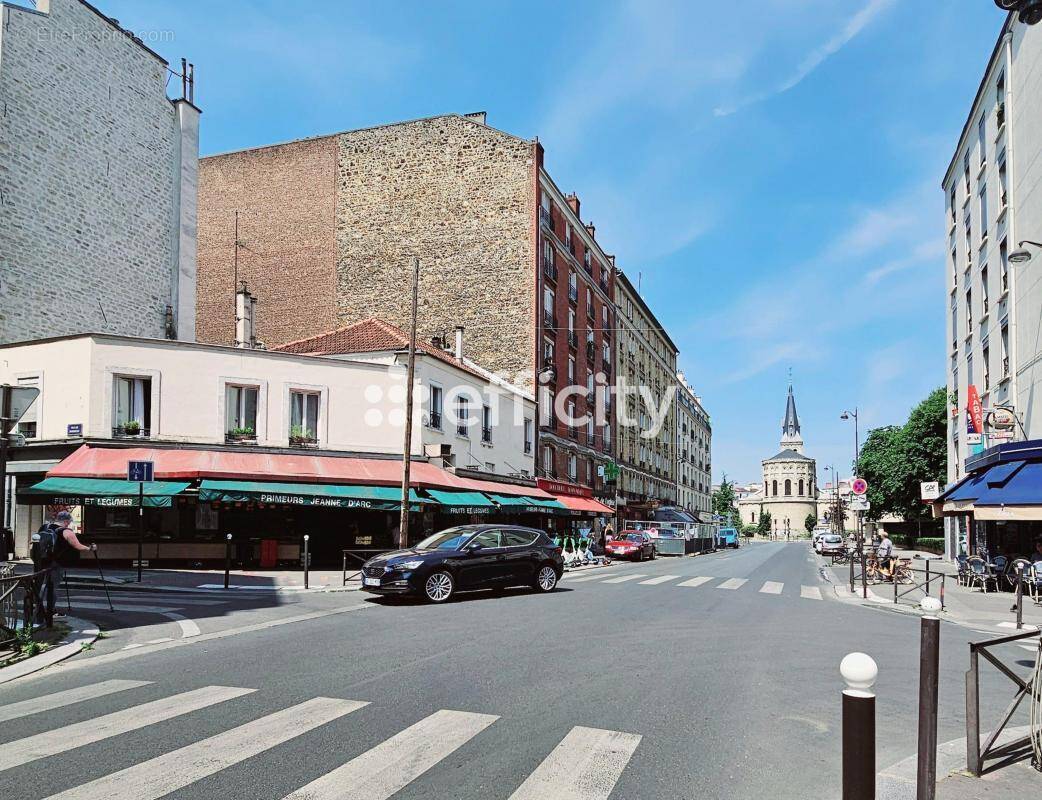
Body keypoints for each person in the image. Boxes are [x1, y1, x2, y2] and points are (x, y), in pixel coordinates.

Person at [31, 511, 94, 626]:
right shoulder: (66, 531)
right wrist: (90, 548)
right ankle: (51, 611)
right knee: (53, 586)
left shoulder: (45, 526)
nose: (69, 524)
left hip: (42, 561)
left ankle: (36, 608)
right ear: (66, 521)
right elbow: (77, 545)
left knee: (39, 584)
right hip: (56, 562)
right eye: (69, 522)